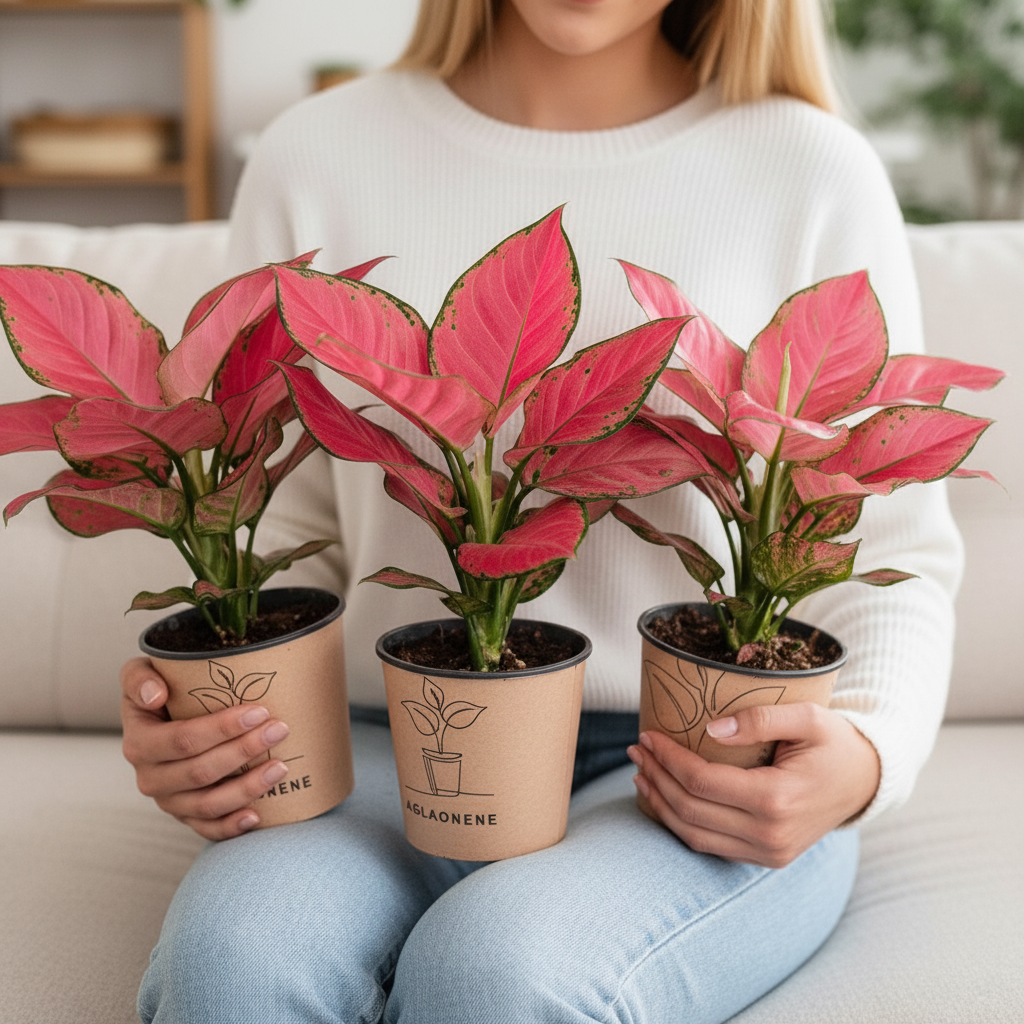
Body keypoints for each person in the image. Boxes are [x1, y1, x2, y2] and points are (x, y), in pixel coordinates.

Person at [121, 1, 963, 1021]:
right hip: (394, 739)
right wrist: (211, 716)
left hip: (697, 761)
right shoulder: (319, 152)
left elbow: (896, 548)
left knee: (500, 976)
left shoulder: (807, 165)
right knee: (232, 962)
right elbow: (277, 506)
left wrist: (865, 757)